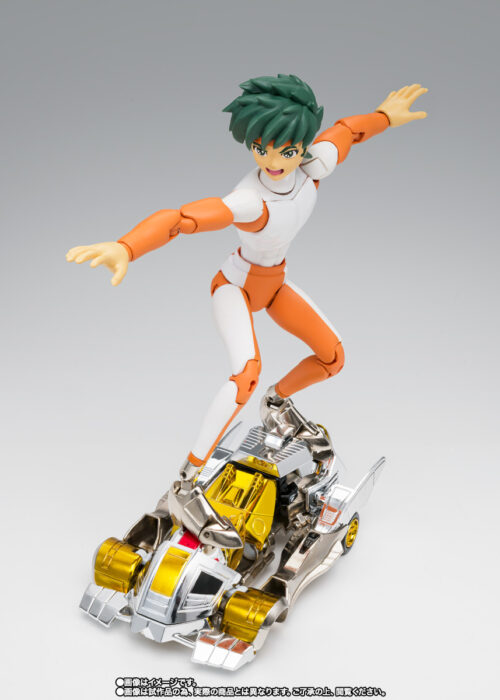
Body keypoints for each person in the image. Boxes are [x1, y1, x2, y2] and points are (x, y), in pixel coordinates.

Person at [67, 75, 427, 546]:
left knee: (332, 357)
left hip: (274, 285)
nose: (272, 162)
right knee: (245, 374)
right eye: (261, 148)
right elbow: (180, 219)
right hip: (235, 286)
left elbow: (347, 131)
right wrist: (126, 247)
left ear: (301, 146)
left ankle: (276, 403)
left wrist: (384, 116)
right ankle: (186, 483)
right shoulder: (250, 201)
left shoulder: (314, 165)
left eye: (285, 150)